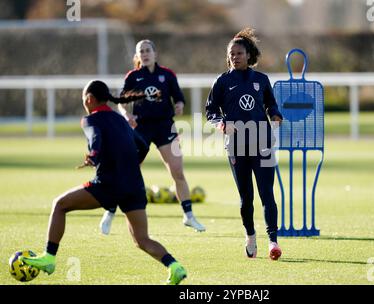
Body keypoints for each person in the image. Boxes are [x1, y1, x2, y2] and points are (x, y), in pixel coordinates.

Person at [19, 80, 187, 285]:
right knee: (142, 239)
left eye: (84, 99)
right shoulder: (119, 119)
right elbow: (143, 146)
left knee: (60, 205)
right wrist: (130, 166)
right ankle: (174, 266)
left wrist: (94, 155)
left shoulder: (90, 120)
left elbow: (96, 137)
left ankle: (49, 258)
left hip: (108, 184)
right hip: (134, 185)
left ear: (89, 99)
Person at [99, 39, 205, 234]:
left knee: (177, 172)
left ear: (155, 53)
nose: (145, 54)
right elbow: (122, 101)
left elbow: (179, 97)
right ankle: (110, 212)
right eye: (141, 51)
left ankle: (189, 216)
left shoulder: (167, 75)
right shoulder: (133, 76)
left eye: (148, 50)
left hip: (166, 127)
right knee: (127, 171)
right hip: (141, 129)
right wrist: (126, 114)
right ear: (137, 56)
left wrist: (180, 105)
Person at [205, 28, 283, 260]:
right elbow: (210, 111)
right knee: (246, 197)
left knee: (267, 194)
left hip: (263, 143)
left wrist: (275, 115)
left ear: (249, 55)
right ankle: (250, 235)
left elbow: (271, 104)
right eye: (231, 53)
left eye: (239, 53)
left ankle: (273, 241)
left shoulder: (261, 80)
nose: (235, 57)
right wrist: (221, 123)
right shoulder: (222, 81)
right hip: (237, 145)